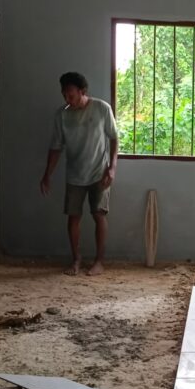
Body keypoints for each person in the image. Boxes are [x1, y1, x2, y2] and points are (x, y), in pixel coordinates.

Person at [40, 72, 119, 276]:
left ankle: (99, 261)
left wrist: (112, 168)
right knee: (73, 216)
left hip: (99, 172)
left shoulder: (101, 108)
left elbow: (114, 138)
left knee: (99, 214)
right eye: (64, 95)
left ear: (82, 91)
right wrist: (47, 175)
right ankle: (76, 259)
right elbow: (56, 147)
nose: (67, 99)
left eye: (71, 95)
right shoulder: (62, 115)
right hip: (74, 174)